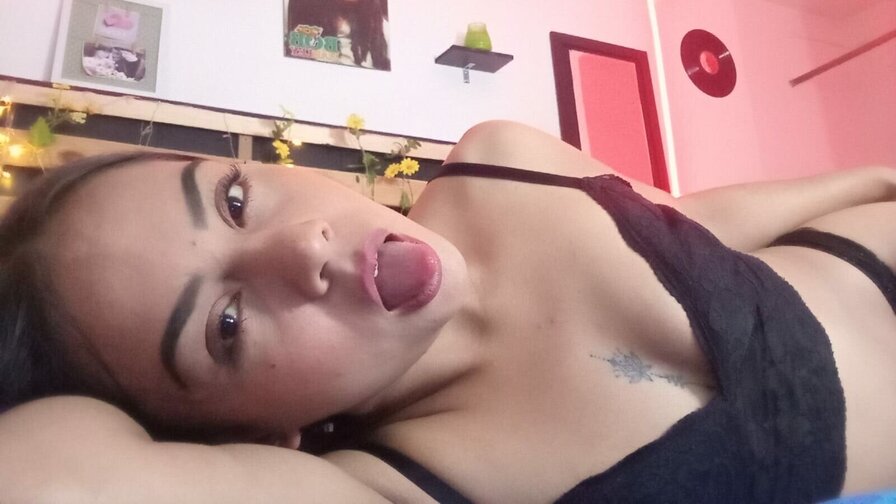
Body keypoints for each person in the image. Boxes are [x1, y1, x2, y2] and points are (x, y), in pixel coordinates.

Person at [1, 120, 895, 503]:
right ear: (252, 435)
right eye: (225, 326)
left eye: (234, 199)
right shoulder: (391, 488)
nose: (300, 247)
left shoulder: (501, 161)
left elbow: (700, 221)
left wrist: (876, 177)